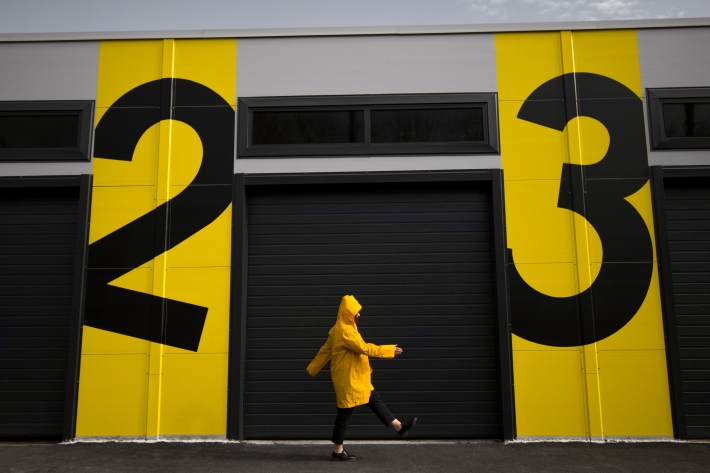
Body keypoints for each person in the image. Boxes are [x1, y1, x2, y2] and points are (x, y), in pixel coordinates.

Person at [307, 295, 417, 461]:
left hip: (356, 378)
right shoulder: (345, 332)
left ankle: (399, 427)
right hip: (348, 380)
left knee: (374, 399)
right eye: (356, 312)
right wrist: (388, 350)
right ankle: (337, 451)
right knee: (344, 414)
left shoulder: (342, 328)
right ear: (348, 314)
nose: (359, 315)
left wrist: (312, 368)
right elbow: (364, 348)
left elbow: (325, 350)